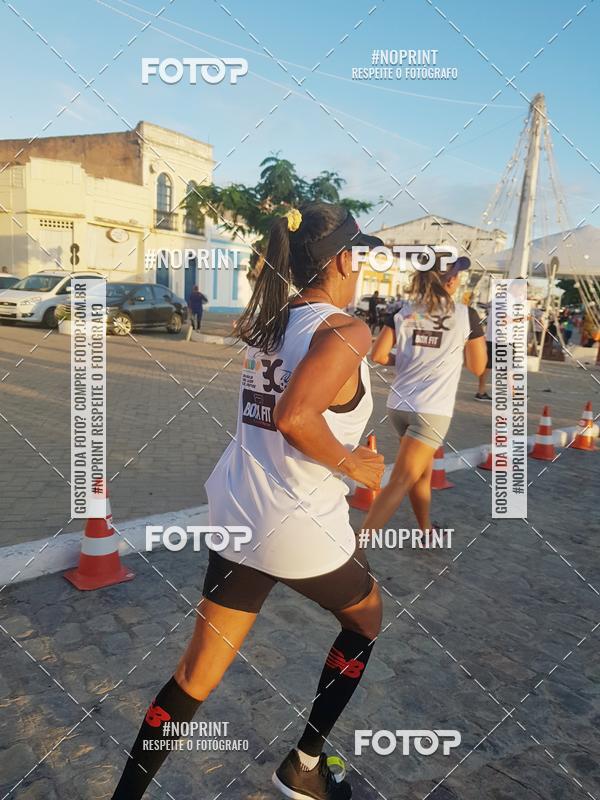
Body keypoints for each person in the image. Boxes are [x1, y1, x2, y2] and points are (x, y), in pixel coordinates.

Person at [111, 203, 385, 800]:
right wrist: (353, 463)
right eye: (358, 252)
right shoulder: (346, 329)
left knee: (194, 675)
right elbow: (293, 417)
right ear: (342, 259)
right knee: (366, 620)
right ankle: (304, 764)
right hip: (300, 523)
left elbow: (286, 410)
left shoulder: (273, 320)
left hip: (241, 513)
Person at [364, 254, 487, 540]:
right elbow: (477, 367)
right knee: (402, 480)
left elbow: (379, 355)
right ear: (452, 280)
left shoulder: (405, 311)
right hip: (431, 411)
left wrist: (408, 358)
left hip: (399, 407)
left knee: (421, 474)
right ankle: (356, 549)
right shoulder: (464, 314)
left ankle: (425, 529)